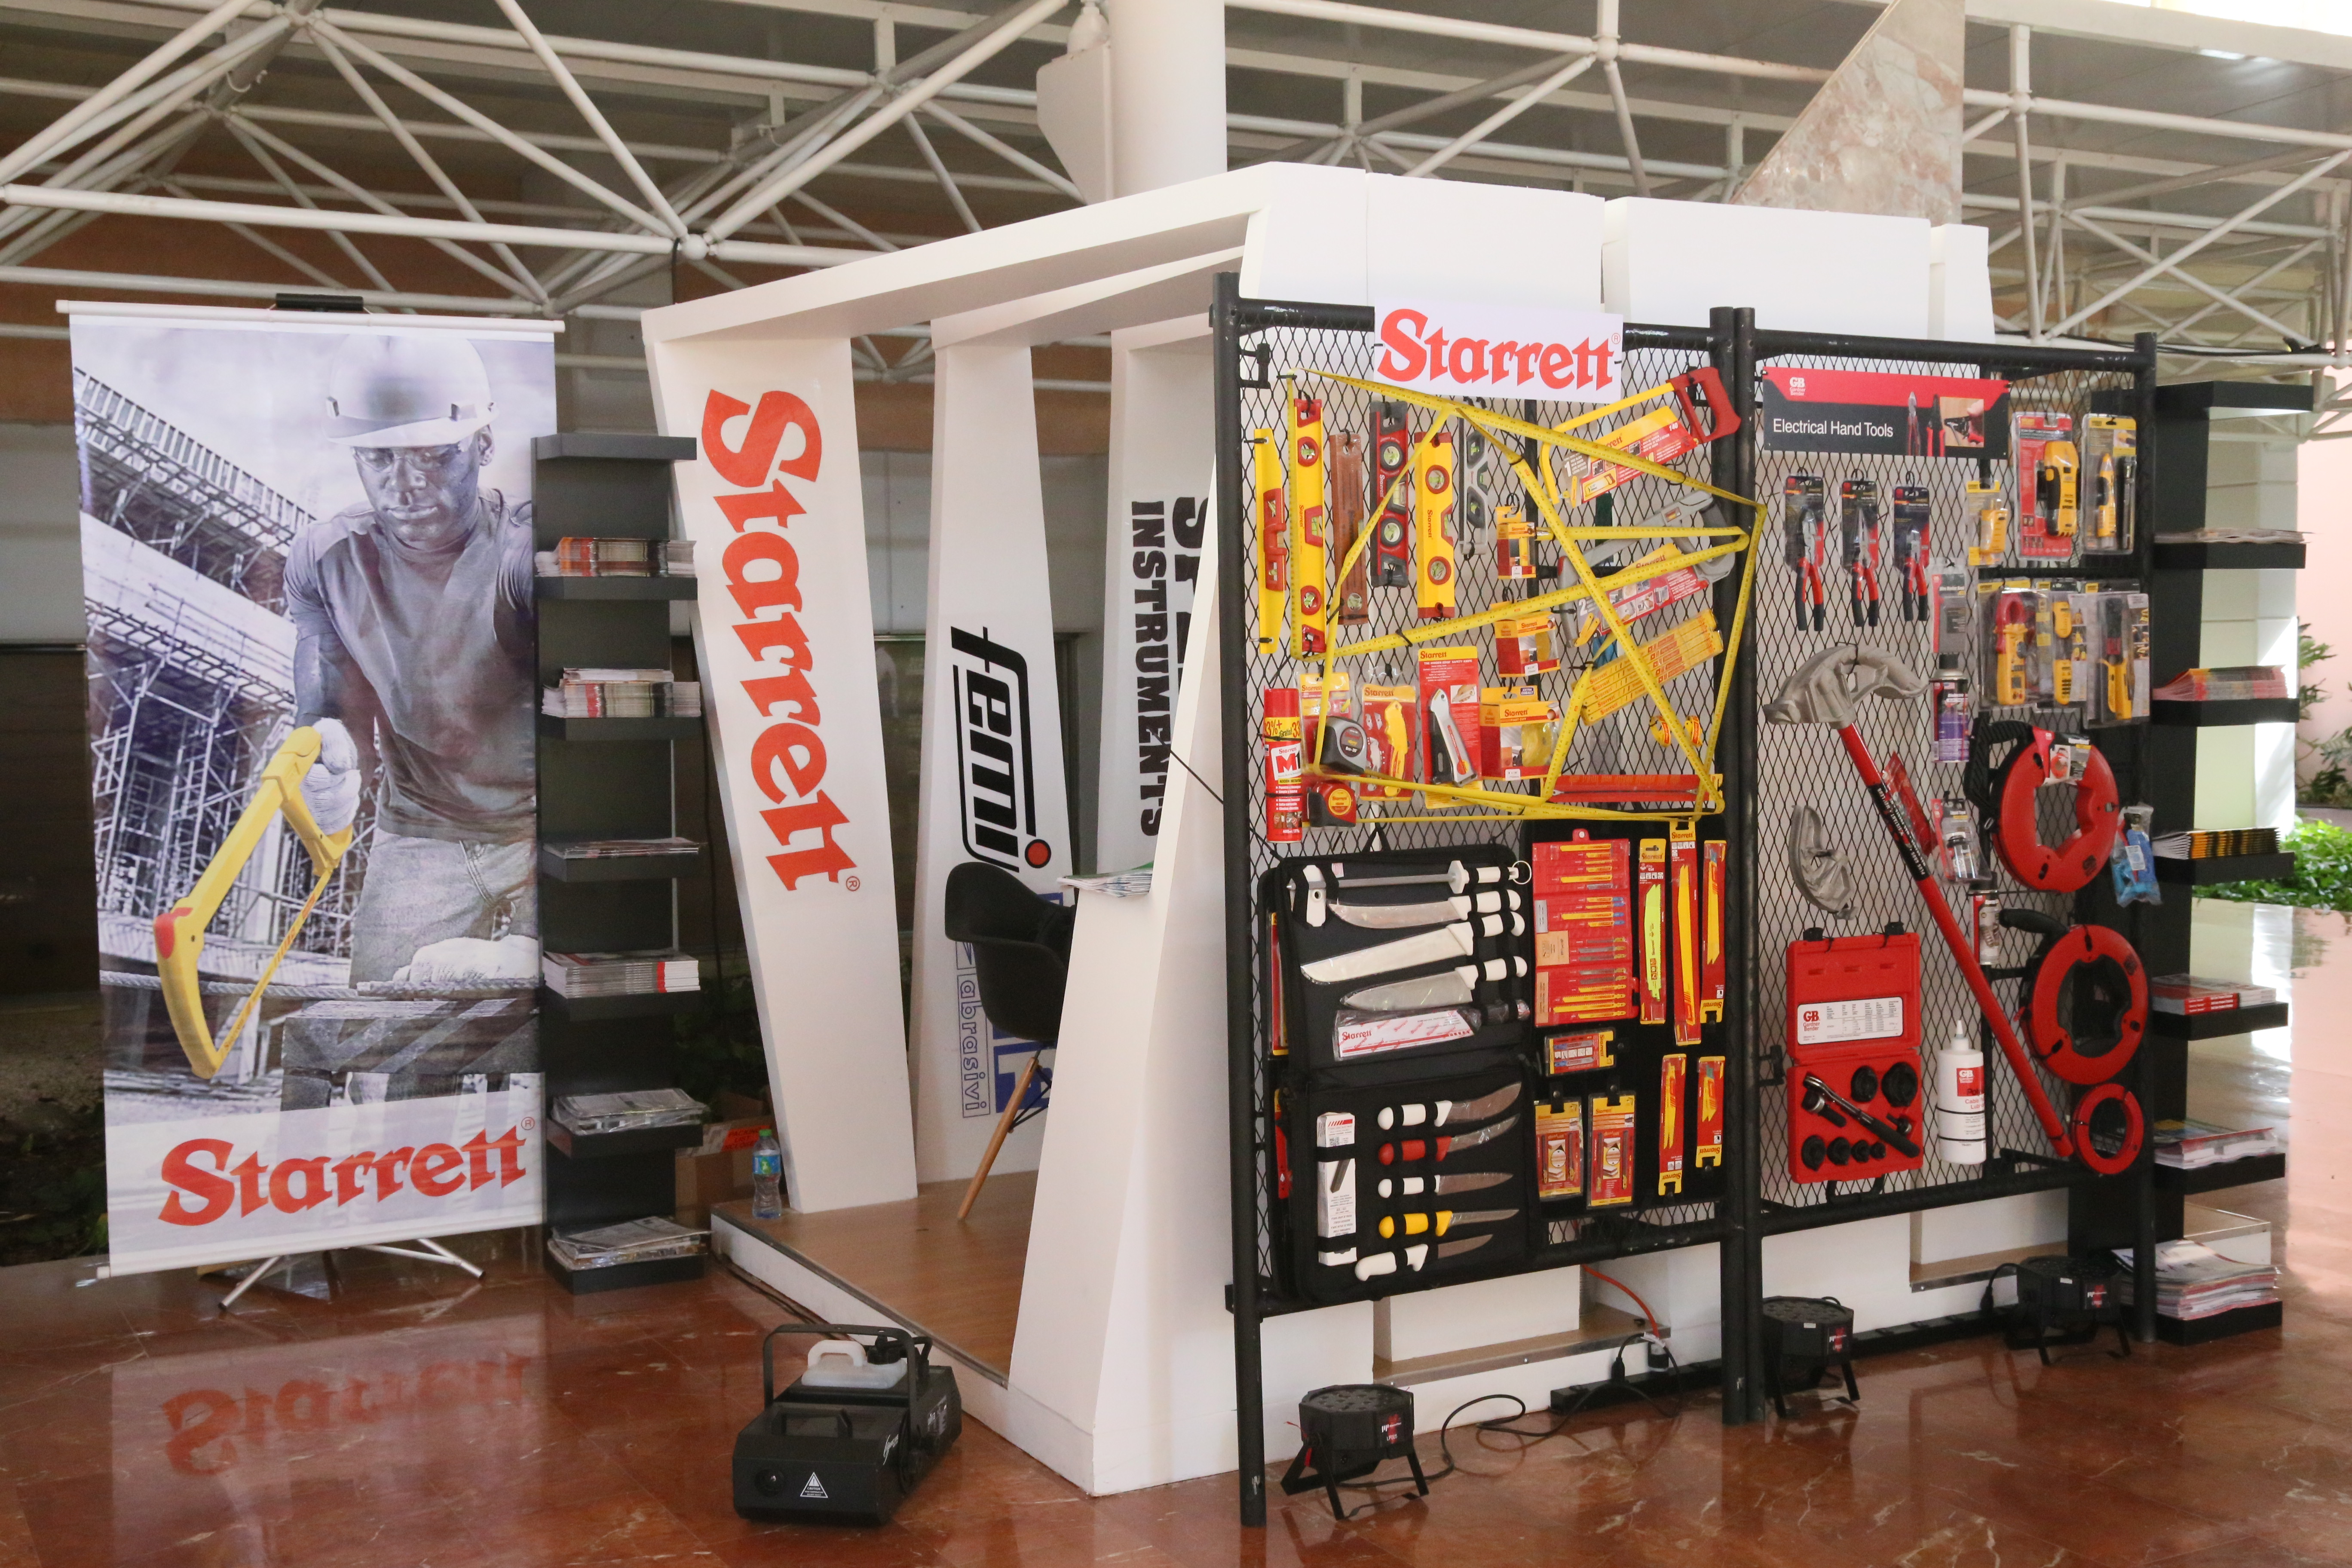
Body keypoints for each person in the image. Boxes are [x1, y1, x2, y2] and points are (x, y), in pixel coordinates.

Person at [285, 332, 538, 985]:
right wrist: (330, 763)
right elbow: (330, 706)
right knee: (376, 1032)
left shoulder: (527, 555)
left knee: (561, 1006)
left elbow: (599, 731)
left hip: (550, 826)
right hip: (422, 825)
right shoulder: (325, 559)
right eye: (378, 458)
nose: (406, 486)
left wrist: (535, 933)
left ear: (483, 445)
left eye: (434, 456)